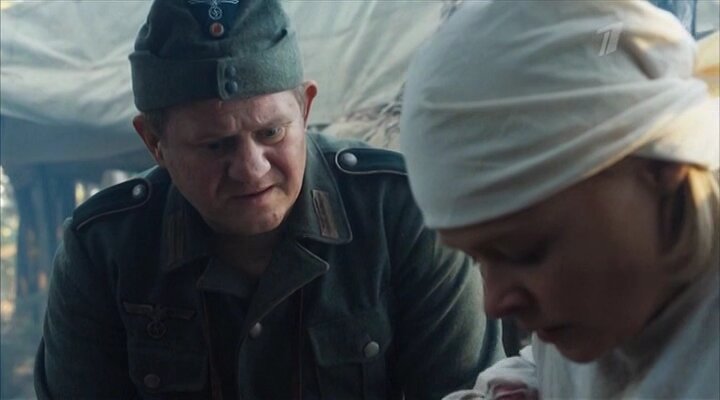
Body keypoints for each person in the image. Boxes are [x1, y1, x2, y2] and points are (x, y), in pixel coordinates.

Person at [33, 1, 503, 398]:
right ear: (154, 143)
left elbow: (460, 388)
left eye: (272, 132)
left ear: (306, 107)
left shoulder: (399, 214)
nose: (251, 168)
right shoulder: (103, 250)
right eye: (215, 145)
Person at [399, 1, 719, 399]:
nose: (494, 303)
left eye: (524, 251)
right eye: (478, 259)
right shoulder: (602, 303)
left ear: (662, 164)